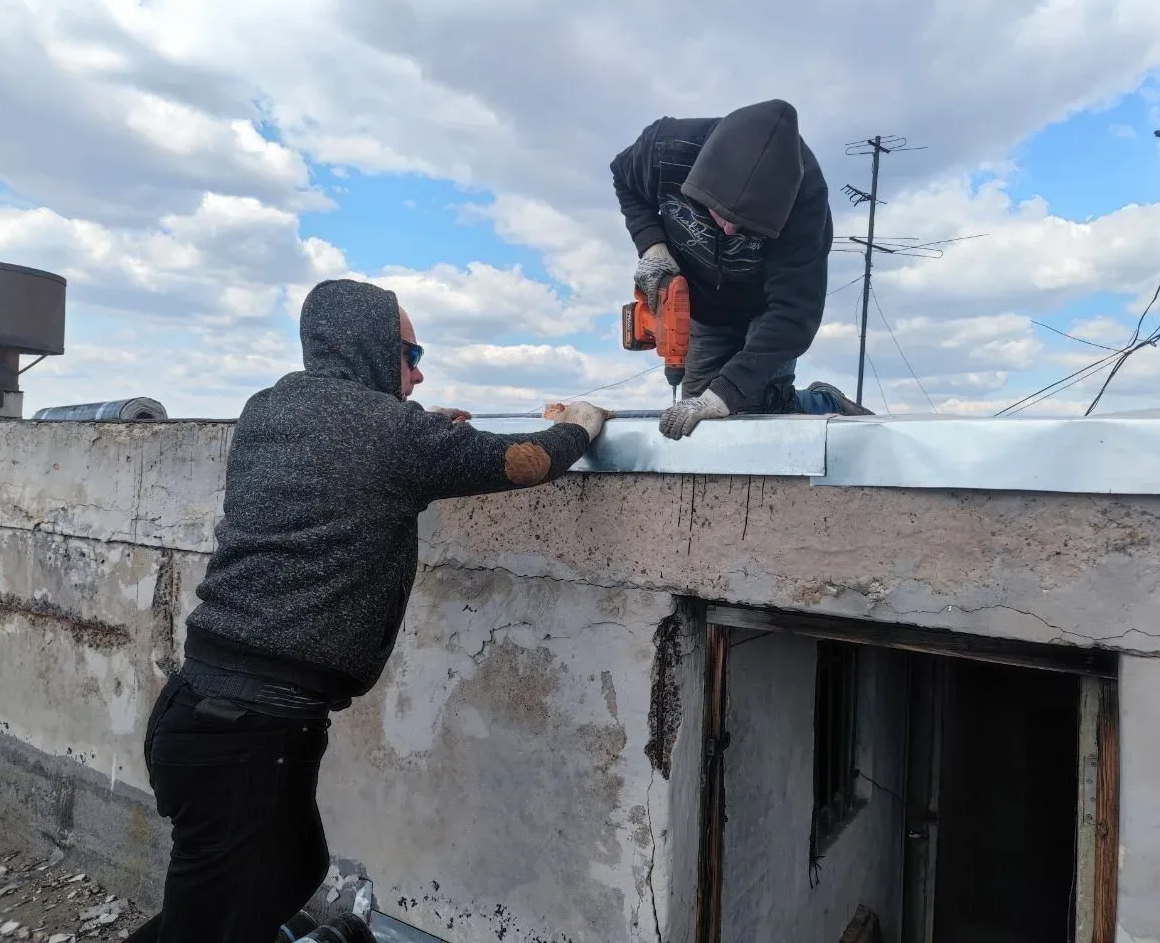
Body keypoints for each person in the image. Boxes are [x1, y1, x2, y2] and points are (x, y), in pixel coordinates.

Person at [126, 279, 609, 943]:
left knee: (285, 876)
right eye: (410, 354)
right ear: (369, 347)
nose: (417, 373)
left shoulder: (268, 408)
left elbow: (348, 446)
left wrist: (425, 427)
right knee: (216, 923)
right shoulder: (393, 435)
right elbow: (526, 461)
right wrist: (582, 421)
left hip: (208, 715)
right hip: (245, 737)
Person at [610, 98, 871, 440]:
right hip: (705, 306)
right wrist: (652, 245)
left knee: (761, 410)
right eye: (722, 214)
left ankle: (825, 401)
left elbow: (795, 314)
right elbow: (623, 178)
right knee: (699, 424)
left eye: (747, 224)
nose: (731, 230)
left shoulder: (806, 200)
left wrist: (725, 394)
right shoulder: (666, 150)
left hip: (765, 308)